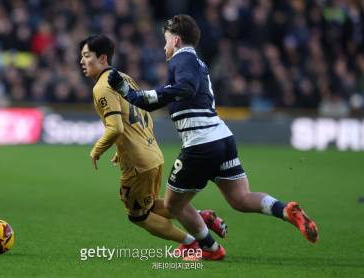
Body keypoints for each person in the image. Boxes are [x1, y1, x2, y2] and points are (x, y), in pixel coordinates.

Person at [107, 15, 319, 261]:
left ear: (175, 40)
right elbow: (171, 97)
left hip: (200, 144)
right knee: (240, 198)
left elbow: (184, 89)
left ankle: (209, 247)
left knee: (174, 206)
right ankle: (286, 210)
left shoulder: (182, 58)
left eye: (165, 40)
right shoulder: (197, 62)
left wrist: (132, 93)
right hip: (222, 138)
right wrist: (129, 93)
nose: (164, 46)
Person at [79, 35, 227, 254]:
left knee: (138, 215)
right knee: (149, 204)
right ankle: (202, 218)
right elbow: (140, 115)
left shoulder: (101, 87)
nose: (82, 61)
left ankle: (193, 244)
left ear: (102, 58)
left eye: (86, 55)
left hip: (138, 163)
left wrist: (96, 150)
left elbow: (116, 128)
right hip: (152, 154)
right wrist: (124, 148)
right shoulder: (123, 78)